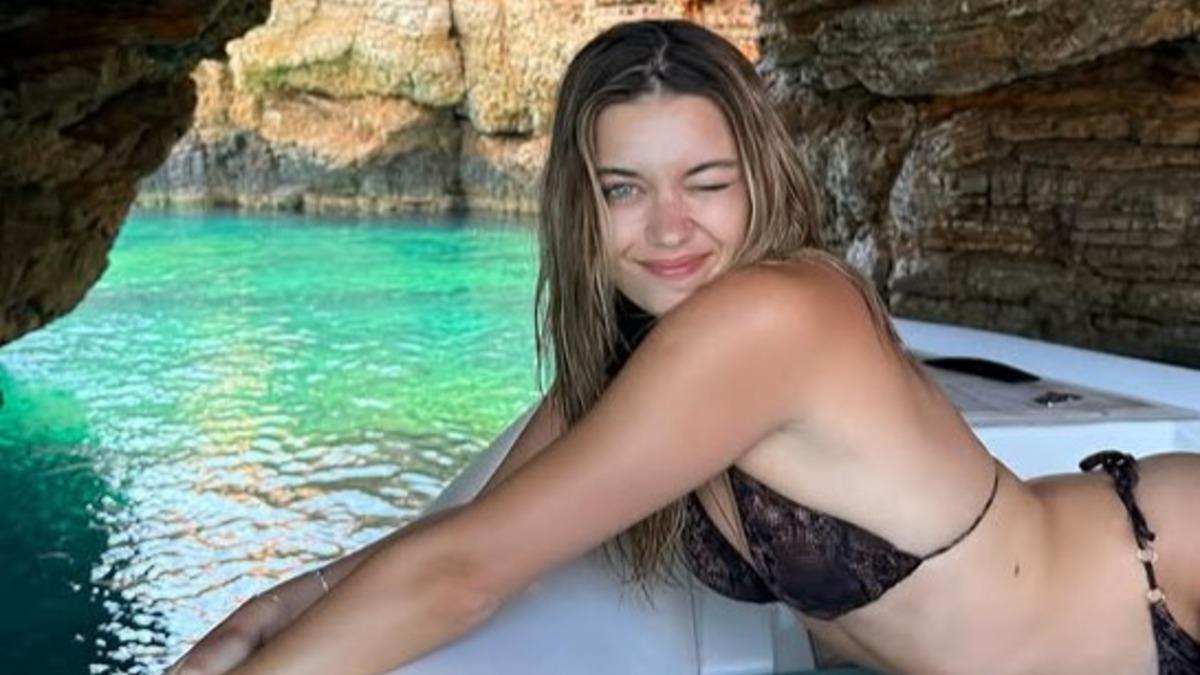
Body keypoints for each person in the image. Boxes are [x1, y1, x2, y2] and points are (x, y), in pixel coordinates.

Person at [169, 19, 1200, 675]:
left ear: (760, 178)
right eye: (625, 188)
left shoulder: (768, 316)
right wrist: (273, 607)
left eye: (706, 182)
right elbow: (477, 532)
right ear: (582, 204)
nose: (669, 229)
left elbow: (467, 577)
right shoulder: (646, 354)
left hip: (1158, 578)